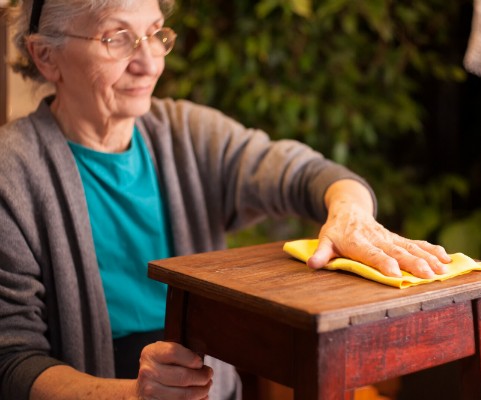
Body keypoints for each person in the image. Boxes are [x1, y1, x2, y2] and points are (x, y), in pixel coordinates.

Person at [0, 0, 452, 399]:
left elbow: (306, 173)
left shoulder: (188, 133)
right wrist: (134, 397)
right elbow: (12, 362)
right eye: (117, 38)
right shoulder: (11, 173)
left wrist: (351, 213)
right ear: (46, 55)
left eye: (156, 34)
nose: (150, 62)